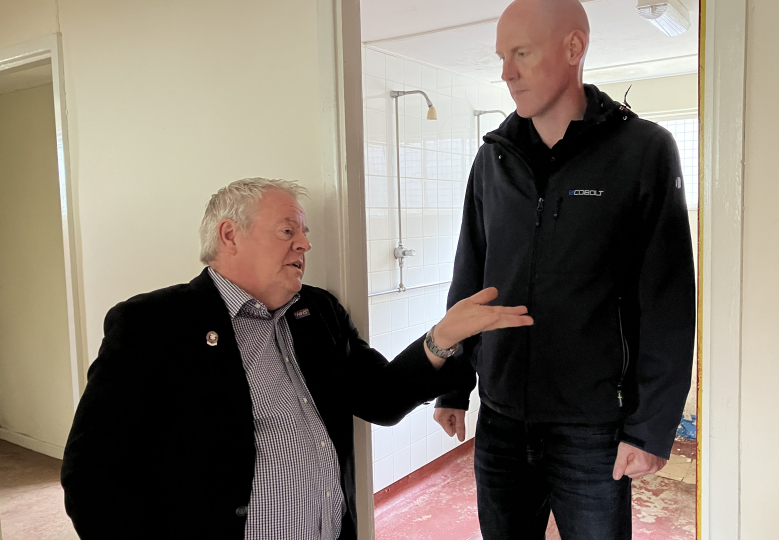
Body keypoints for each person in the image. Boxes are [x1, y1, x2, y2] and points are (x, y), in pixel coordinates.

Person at [61, 178, 533, 540]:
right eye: (288, 230)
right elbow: (91, 474)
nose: (305, 244)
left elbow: (381, 398)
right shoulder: (154, 324)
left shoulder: (318, 312)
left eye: (304, 233)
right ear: (230, 235)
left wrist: (441, 337)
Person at [432, 0, 696, 538]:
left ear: (574, 48)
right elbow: (470, 278)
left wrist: (650, 428)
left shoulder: (643, 151)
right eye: (503, 57)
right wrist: (454, 385)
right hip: (502, 421)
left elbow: (667, 301)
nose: (506, 73)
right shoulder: (494, 159)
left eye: (522, 54)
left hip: (593, 428)